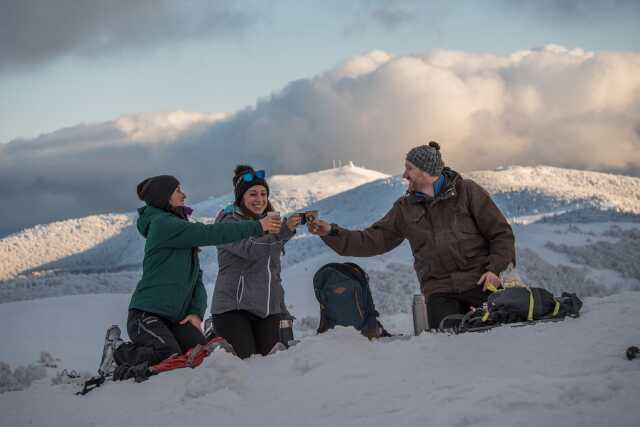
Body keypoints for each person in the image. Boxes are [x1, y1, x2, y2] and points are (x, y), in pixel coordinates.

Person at [308, 142, 516, 329]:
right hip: (439, 289)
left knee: (491, 337)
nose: (404, 175)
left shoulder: (467, 192)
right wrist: (331, 232)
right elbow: (371, 240)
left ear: (426, 172)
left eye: (409, 168)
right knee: (447, 343)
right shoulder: (404, 209)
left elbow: (501, 234)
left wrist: (494, 270)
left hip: (479, 281)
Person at [112, 175, 281, 379]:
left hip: (176, 318)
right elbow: (211, 233)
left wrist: (196, 312)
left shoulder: (176, 225)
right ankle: (117, 353)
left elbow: (196, 277)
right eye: (178, 191)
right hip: (147, 315)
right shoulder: (163, 224)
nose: (184, 195)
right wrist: (258, 226)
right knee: (169, 356)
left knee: (202, 357)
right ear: (164, 197)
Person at [211, 165, 302, 359]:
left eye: (263, 193)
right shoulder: (228, 221)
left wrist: (280, 307)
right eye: (252, 194)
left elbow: (273, 269)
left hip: (267, 310)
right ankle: (212, 334)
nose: (259, 199)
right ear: (241, 197)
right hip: (234, 308)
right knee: (246, 366)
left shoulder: (269, 221)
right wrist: (282, 232)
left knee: (272, 366)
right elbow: (251, 249)